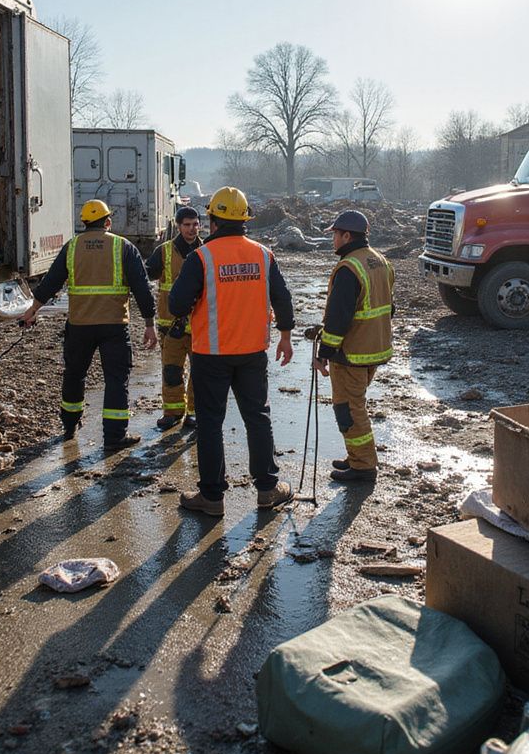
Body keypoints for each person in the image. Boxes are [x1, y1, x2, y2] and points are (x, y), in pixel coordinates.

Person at [168, 186, 295, 517]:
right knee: (258, 417)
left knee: (210, 422)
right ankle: (268, 490)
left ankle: (212, 498)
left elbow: (177, 303)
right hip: (253, 352)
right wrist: (285, 336)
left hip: (211, 354)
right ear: (244, 221)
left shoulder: (201, 257)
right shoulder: (263, 255)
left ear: (212, 221)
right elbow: (282, 298)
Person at [20, 199, 157, 449]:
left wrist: (32, 311)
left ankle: (70, 427)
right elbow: (142, 289)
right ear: (107, 222)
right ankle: (114, 438)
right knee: (116, 380)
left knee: (75, 375)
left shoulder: (72, 247)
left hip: (80, 326)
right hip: (114, 326)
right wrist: (150, 323)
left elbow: (51, 282)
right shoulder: (123, 247)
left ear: (84, 223)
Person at [314, 209, 394, 482]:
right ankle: (357, 456)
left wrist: (324, 353)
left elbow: (338, 320)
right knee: (356, 405)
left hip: (351, 354)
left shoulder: (349, 267)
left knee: (348, 409)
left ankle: (363, 465)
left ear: (347, 236)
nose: (333, 240)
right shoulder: (379, 261)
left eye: (335, 235)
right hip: (374, 350)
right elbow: (388, 307)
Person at [145, 206, 202, 433]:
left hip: (199, 326)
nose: (192, 229)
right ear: (178, 226)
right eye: (187, 225)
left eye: (195, 224)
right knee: (171, 371)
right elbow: (146, 275)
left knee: (199, 373)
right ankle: (172, 413)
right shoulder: (165, 252)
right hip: (171, 326)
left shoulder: (207, 250)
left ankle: (194, 414)